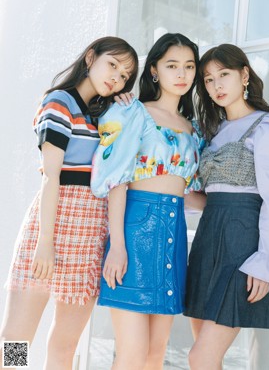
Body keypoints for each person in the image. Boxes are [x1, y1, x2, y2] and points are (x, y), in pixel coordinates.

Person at [0, 36, 138, 370]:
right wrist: (45, 242)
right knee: (16, 338)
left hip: (90, 228)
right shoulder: (60, 103)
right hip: (52, 221)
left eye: (124, 75)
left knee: (65, 344)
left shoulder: (102, 116)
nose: (116, 77)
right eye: (113, 65)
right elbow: (51, 176)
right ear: (91, 58)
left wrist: (125, 110)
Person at [91, 33, 206, 370]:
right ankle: (14, 359)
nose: (181, 74)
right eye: (172, 65)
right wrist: (118, 245)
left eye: (188, 66)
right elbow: (117, 181)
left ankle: (15, 357)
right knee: (131, 355)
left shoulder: (194, 128)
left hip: (171, 235)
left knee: (155, 354)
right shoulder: (132, 112)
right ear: (154, 70)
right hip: (129, 232)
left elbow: (187, 194)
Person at [184, 43, 269, 370]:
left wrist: (264, 259)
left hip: (241, 245)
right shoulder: (213, 132)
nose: (216, 85)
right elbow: (206, 201)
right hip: (208, 242)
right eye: (207, 80)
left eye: (224, 74)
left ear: (244, 74)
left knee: (201, 357)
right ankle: (21, 359)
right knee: (205, 357)